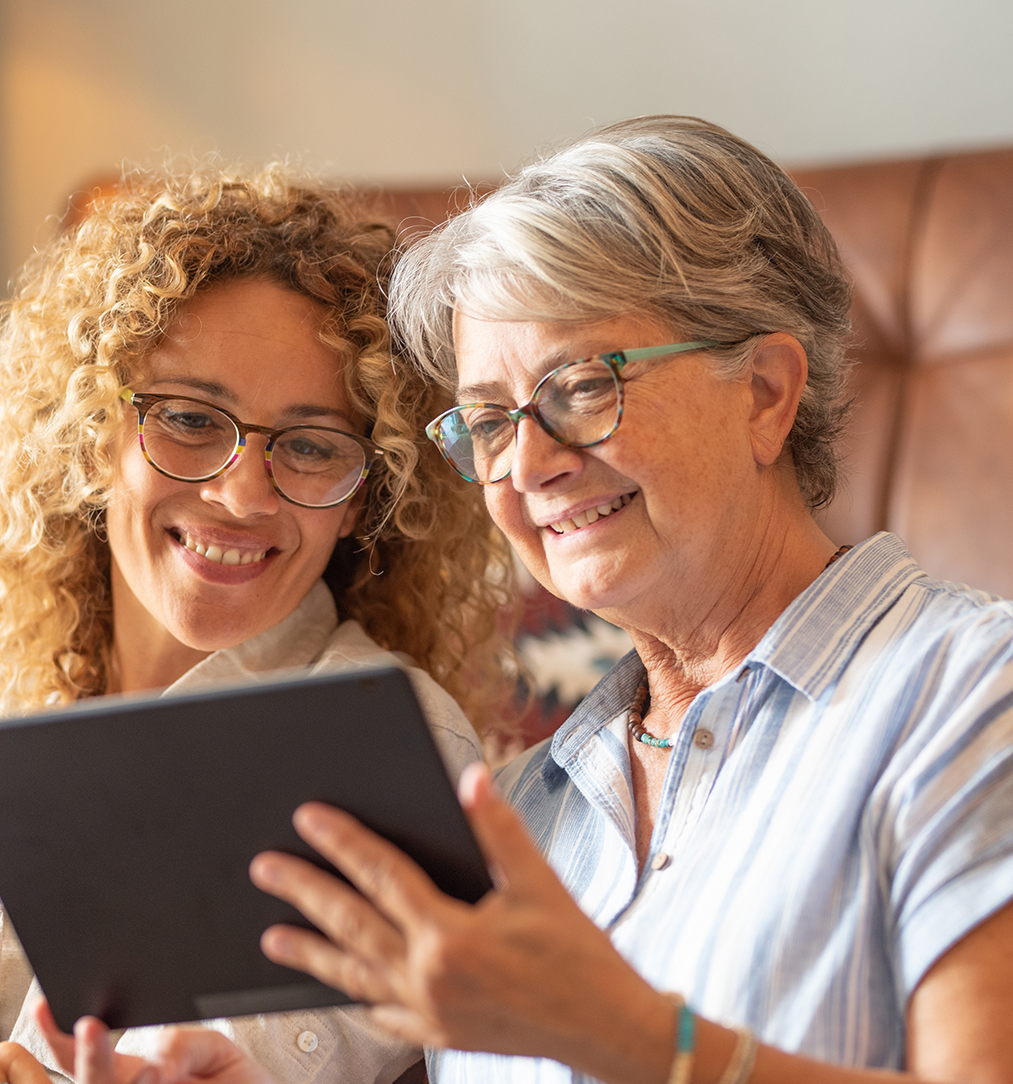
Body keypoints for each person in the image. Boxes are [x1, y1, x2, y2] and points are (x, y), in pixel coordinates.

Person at [68, 117, 1013, 1084]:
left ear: (764, 394)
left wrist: (630, 1037)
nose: (527, 464)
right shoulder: (517, 815)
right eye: (487, 420)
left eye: (580, 388)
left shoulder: (971, 694)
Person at [0, 164, 509, 1084]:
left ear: (361, 500)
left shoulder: (389, 746)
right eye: (190, 420)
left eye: (310, 446)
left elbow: (232, 1064)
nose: (240, 494)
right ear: (90, 435)